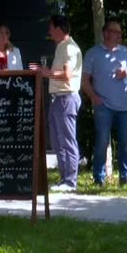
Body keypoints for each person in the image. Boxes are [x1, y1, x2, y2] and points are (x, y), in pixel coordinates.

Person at [84, 19, 127, 187]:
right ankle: (98, 178)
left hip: (124, 106)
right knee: (102, 141)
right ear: (106, 33)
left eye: (120, 32)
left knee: (126, 141)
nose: (119, 35)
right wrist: (94, 97)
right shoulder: (93, 53)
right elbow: (85, 80)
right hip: (103, 105)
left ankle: (126, 177)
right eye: (116, 32)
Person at [44, 14, 84, 191]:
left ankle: (70, 180)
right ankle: (64, 178)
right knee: (57, 140)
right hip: (58, 98)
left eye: (51, 28)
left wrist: (48, 73)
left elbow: (67, 75)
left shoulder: (69, 48)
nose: (49, 32)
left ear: (59, 28)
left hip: (66, 97)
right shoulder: (61, 47)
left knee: (67, 140)